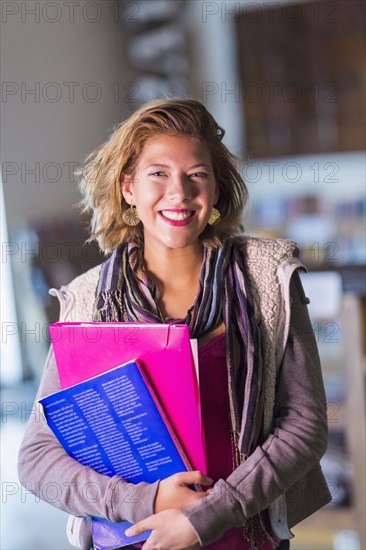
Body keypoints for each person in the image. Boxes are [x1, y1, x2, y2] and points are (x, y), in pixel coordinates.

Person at [18, 99, 331, 550]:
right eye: (158, 173)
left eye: (197, 175)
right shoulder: (89, 301)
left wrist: (206, 516)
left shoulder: (267, 277)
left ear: (217, 189)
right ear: (129, 187)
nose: (179, 193)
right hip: (133, 538)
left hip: (242, 535)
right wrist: (147, 500)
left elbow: (304, 426)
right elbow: (37, 457)